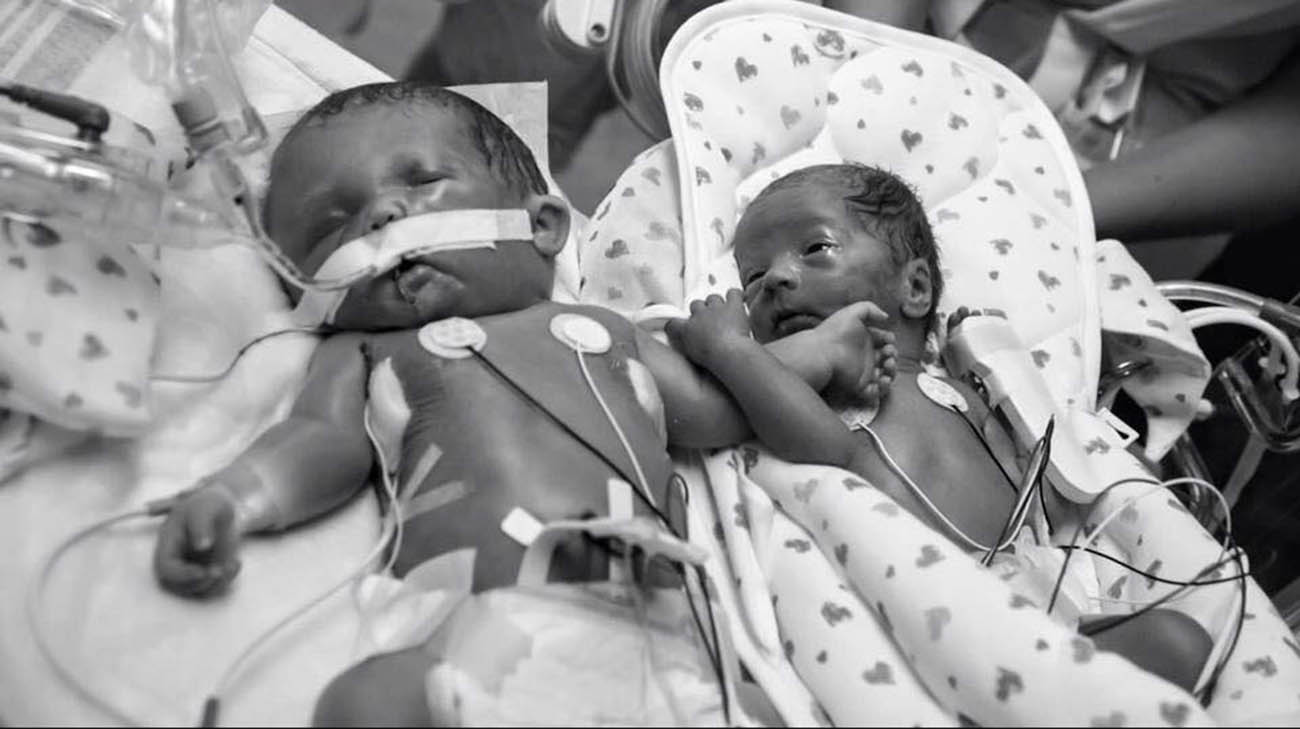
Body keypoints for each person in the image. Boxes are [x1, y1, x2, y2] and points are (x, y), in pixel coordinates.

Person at [148, 81, 891, 724]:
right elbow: (322, 440)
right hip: (481, 630)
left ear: (542, 226)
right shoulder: (364, 352)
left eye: (420, 180)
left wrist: (819, 351)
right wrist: (235, 497)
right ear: (306, 288)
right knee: (365, 702)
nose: (380, 217)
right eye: (329, 224)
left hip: (659, 632)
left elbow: (716, 405)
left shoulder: (604, 334)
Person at [667, 162, 1213, 691]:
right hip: (943, 614)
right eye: (752, 277)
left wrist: (1008, 377)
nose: (776, 279)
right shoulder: (825, 397)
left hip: (1043, 595)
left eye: (816, 249)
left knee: (1180, 641)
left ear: (916, 289)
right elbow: (817, 447)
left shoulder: (966, 389)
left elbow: (1048, 484)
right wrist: (732, 349)